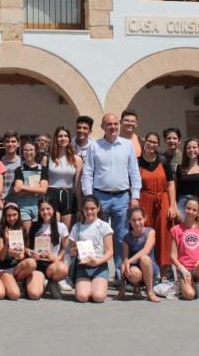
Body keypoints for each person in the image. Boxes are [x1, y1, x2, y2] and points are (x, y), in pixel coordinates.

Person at [81, 113, 142, 275]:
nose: (113, 127)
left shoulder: (127, 145)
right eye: (109, 124)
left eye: (115, 124)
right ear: (102, 127)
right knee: (97, 233)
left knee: (121, 236)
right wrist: (89, 197)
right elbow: (87, 172)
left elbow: (134, 172)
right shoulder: (94, 145)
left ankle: (120, 273)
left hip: (122, 197)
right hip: (100, 196)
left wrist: (135, 195)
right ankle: (97, 270)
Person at [137, 132, 177, 281]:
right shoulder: (137, 161)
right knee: (144, 235)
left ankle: (164, 273)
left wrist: (172, 206)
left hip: (162, 200)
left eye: (155, 142)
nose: (151, 144)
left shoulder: (163, 160)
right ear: (144, 142)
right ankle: (145, 273)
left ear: (158, 145)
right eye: (149, 141)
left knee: (163, 236)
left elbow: (171, 184)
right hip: (144, 200)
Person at [69, 196, 115, 303]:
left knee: (98, 297)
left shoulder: (104, 226)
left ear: (98, 208)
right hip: (83, 267)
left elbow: (110, 251)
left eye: (93, 208)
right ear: (83, 210)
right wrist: (76, 249)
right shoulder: (77, 227)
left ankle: (98, 285)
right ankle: (86, 286)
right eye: (86, 209)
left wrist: (98, 261)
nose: (89, 211)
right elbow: (71, 251)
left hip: (100, 267)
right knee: (82, 297)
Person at [169, 197, 199, 300]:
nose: (190, 212)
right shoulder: (176, 229)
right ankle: (183, 285)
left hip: (198, 269)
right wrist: (182, 269)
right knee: (189, 295)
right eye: (188, 208)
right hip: (184, 269)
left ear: (198, 212)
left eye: (194, 210)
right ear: (184, 209)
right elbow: (172, 255)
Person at [25, 199, 69, 300]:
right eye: (42, 209)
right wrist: (30, 252)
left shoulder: (61, 227)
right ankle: (37, 283)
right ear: (39, 211)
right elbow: (26, 247)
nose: (45, 212)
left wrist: (57, 258)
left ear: (53, 209)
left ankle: (52, 282)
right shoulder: (34, 226)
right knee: (34, 294)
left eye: (48, 208)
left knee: (63, 268)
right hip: (37, 265)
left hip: (52, 264)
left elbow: (64, 248)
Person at [117, 207, 160, 302]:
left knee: (144, 258)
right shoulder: (126, 238)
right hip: (134, 271)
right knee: (133, 271)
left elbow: (146, 250)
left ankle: (150, 292)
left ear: (145, 218)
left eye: (139, 219)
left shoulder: (150, 232)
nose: (137, 223)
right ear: (129, 221)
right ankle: (136, 286)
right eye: (133, 220)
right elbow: (125, 261)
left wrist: (129, 261)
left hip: (149, 268)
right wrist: (122, 287)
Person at [45, 125, 82, 235]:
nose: (63, 138)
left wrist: (79, 206)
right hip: (52, 194)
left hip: (69, 195)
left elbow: (78, 185)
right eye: (60, 136)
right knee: (53, 230)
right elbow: (43, 181)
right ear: (56, 138)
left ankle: (65, 252)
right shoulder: (47, 158)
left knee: (67, 232)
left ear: (69, 139)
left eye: (66, 136)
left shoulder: (76, 159)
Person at [0, 202, 31, 300]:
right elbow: (1, 257)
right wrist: (7, 243)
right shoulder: (0, 229)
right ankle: (6, 282)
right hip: (4, 267)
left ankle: (19, 281)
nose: (11, 218)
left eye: (14, 215)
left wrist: (18, 254)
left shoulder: (22, 229)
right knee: (14, 295)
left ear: (19, 214)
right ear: (4, 216)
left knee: (31, 263)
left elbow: (22, 256)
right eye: (8, 215)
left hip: (17, 267)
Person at [12, 139, 49, 229]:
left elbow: (43, 190)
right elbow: (17, 191)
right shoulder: (19, 170)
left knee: (39, 235)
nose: (28, 152)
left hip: (39, 206)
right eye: (25, 150)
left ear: (36, 151)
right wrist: (37, 189)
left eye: (31, 150)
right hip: (23, 207)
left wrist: (23, 187)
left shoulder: (43, 169)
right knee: (28, 235)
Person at [175, 137, 199, 218]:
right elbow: (174, 190)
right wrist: (175, 208)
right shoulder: (180, 168)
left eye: (194, 147)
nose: (191, 150)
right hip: (182, 205)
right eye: (188, 148)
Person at [0, 130, 22, 199]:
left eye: (13, 141)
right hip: (2, 201)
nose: (10, 144)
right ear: (3, 144)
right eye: (7, 141)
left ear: (18, 144)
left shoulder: (23, 163)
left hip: (19, 202)